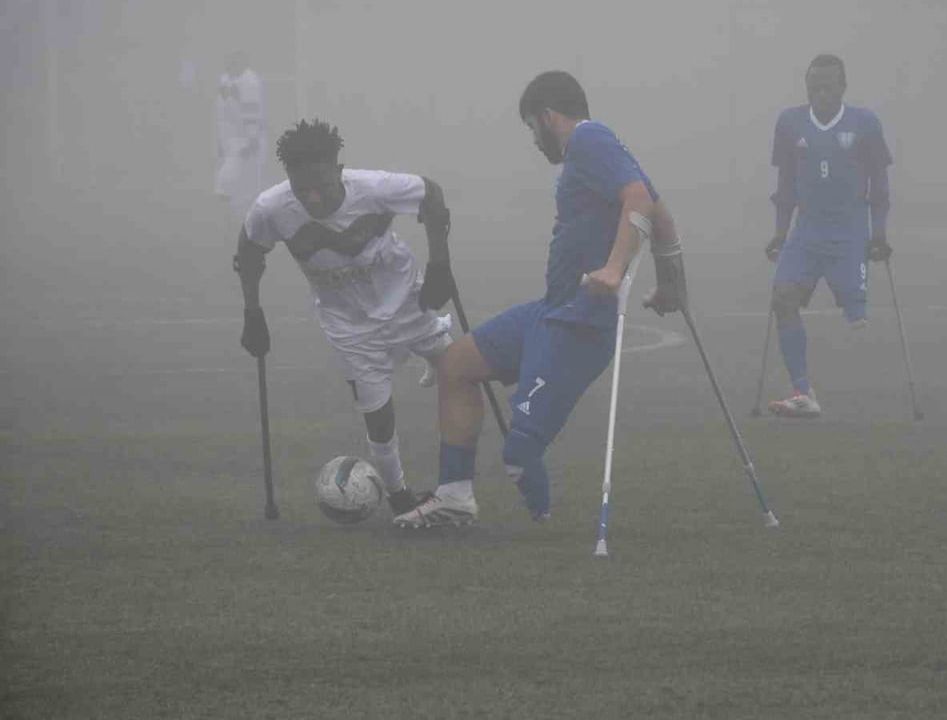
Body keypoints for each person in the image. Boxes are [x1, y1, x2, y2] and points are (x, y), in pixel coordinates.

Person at [393, 70, 688, 528]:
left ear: (548, 117)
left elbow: (638, 199)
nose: (533, 140)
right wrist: (672, 285)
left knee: (520, 453)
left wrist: (614, 268)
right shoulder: (599, 149)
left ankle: (535, 499)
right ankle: (453, 499)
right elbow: (658, 211)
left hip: (580, 323)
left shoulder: (589, 139)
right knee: (455, 365)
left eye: (531, 127)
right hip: (550, 309)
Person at [234, 119, 457, 519]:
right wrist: (253, 311)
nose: (313, 198)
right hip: (348, 323)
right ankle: (400, 497)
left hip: (405, 297)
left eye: (322, 186)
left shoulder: (374, 188)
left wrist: (440, 264)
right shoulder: (272, 208)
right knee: (377, 413)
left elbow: (431, 193)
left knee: (453, 363)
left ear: (339, 170)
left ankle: (431, 343)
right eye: (302, 190)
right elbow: (249, 249)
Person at [764, 54, 893, 418]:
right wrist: (780, 233)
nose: (820, 94)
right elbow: (785, 184)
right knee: (783, 299)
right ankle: (802, 392)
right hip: (806, 232)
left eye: (828, 87)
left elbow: (880, 186)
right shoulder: (789, 123)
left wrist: (879, 235)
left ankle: (855, 306)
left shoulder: (865, 124)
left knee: (857, 320)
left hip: (849, 233)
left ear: (843, 87)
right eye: (814, 87)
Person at [216, 51, 269, 222]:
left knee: (247, 183)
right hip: (229, 139)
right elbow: (223, 111)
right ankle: (232, 217)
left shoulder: (249, 82)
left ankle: (248, 219)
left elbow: (251, 111)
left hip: (245, 141)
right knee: (231, 183)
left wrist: (251, 139)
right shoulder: (225, 80)